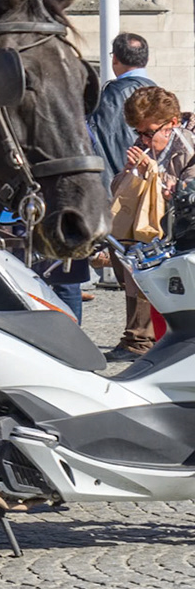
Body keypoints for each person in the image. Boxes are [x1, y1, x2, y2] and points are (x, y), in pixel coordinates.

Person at [109, 86, 195, 359]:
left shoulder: (188, 147)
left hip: (181, 241)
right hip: (149, 237)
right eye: (138, 132)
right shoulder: (143, 144)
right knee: (145, 289)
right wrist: (128, 173)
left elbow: (188, 192)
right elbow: (118, 189)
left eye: (149, 132)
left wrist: (154, 172)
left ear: (171, 124)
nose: (143, 139)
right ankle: (144, 342)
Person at [89, 32, 154, 191]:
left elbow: (97, 138)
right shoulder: (157, 92)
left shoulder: (113, 94)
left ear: (115, 58)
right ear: (146, 59)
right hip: (151, 183)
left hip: (121, 186)